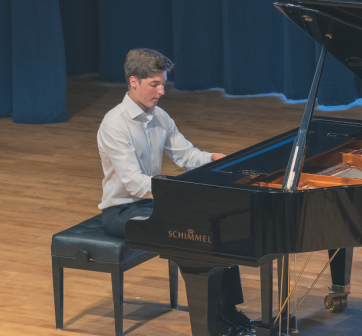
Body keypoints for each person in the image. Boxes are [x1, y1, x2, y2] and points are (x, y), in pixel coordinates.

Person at [97, 48, 255, 336]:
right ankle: (211, 324)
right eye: (154, 84)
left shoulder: (160, 117)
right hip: (121, 211)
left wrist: (212, 159)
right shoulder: (114, 124)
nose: (162, 91)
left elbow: (186, 156)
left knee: (216, 222)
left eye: (163, 83)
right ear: (134, 82)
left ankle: (229, 311)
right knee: (193, 236)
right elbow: (133, 184)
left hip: (152, 202)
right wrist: (173, 190)